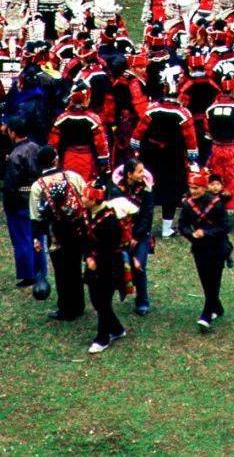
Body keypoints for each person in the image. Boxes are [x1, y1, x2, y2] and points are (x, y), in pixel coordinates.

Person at [29, 148, 87, 322]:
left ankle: (66, 309)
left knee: (61, 271)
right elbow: (85, 197)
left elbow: (35, 216)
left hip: (56, 234)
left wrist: (36, 237)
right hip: (77, 230)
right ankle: (79, 306)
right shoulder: (72, 176)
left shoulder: (38, 185)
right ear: (55, 160)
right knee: (75, 267)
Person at [175, 168, 233, 330]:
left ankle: (206, 314)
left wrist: (205, 233)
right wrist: (192, 235)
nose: (192, 191)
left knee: (214, 279)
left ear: (204, 188)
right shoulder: (188, 205)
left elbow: (225, 227)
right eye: (190, 188)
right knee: (205, 280)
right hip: (199, 248)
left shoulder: (216, 204)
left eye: (196, 188)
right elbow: (182, 225)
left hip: (218, 247)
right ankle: (217, 307)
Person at [84, 182, 130, 354]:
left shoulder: (110, 220)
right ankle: (117, 329)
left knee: (103, 301)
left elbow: (111, 246)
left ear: (95, 200)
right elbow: (85, 237)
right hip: (94, 265)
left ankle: (102, 338)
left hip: (109, 266)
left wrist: (95, 258)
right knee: (96, 300)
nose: (82, 199)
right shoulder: (88, 214)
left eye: (85, 197)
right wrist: (89, 255)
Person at [3, 119, 46, 291]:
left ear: (13, 132)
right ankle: (40, 271)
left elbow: (11, 186)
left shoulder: (15, 156)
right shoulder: (36, 148)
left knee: (22, 240)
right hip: (36, 200)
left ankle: (28, 275)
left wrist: (9, 205)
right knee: (37, 237)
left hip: (19, 204)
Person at [112, 157, 154, 314]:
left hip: (141, 235)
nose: (143, 175)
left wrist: (136, 236)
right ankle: (124, 286)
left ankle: (142, 302)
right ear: (129, 174)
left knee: (139, 265)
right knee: (124, 265)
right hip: (122, 235)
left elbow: (147, 215)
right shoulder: (116, 190)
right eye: (140, 171)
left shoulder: (146, 190)